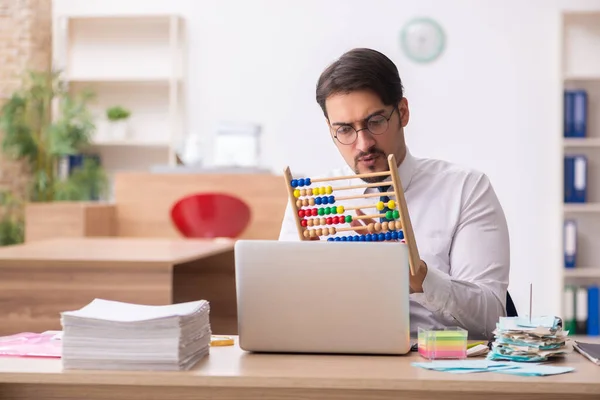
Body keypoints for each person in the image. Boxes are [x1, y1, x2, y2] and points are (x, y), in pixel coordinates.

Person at [278, 48, 510, 340]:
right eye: (345, 130)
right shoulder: (309, 201)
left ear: (402, 112)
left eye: (375, 122)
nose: (363, 143)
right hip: (337, 357)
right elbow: (282, 312)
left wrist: (421, 277)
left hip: (435, 365)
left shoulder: (466, 189)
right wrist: (305, 285)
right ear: (330, 129)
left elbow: (492, 319)